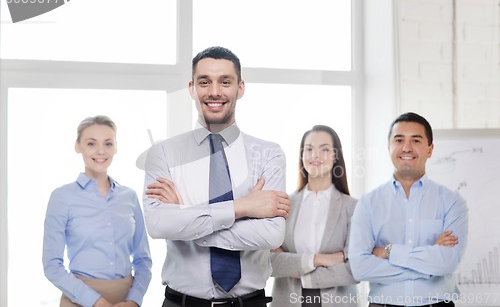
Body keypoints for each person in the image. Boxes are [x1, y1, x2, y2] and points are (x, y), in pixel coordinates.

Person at [142, 46, 291, 307]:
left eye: (225, 81)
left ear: (240, 88)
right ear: (191, 88)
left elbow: (271, 234)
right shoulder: (163, 154)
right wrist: (244, 207)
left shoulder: (269, 154)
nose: (214, 92)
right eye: (204, 82)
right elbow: (158, 225)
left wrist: (185, 215)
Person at [348, 112, 469, 307]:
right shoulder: (368, 203)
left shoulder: (452, 202)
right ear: (389, 148)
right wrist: (428, 264)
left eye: (416, 140)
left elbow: (447, 262)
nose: (406, 147)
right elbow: (360, 268)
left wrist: (390, 251)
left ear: (430, 150)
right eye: (399, 140)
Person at [43, 115, 152, 307]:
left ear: (116, 147)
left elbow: (143, 260)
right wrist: (94, 301)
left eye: (108, 144)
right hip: (79, 299)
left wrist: (134, 301)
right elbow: (52, 265)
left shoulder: (129, 196)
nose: (101, 151)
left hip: (125, 300)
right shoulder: (62, 197)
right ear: (78, 146)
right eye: (91, 143)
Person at [270, 125, 359, 307]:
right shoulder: (283, 205)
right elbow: (269, 262)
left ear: (335, 156)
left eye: (324, 149)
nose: (315, 155)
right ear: (302, 156)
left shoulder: (353, 208)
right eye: (309, 149)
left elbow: (355, 268)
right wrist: (318, 260)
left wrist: (298, 269)